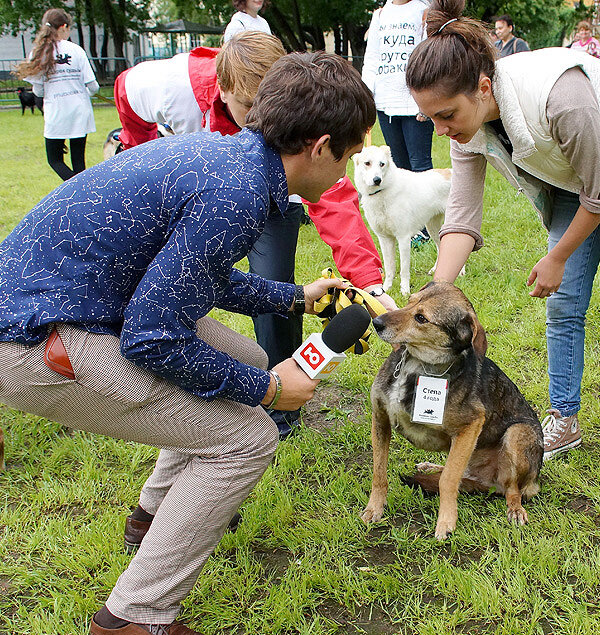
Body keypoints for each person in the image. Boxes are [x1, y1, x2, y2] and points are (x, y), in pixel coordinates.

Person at [0, 51, 378, 635]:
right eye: (350, 156)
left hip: (52, 313)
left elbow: (186, 279)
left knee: (247, 355)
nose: (346, 172)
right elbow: (154, 336)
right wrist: (265, 391)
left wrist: (293, 297)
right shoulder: (242, 191)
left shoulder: (234, 161)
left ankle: (152, 521)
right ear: (322, 146)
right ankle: (132, 618)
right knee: (247, 435)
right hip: (28, 342)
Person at [406, 0, 600, 515]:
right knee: (563, 308)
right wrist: (432, 295)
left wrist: (558, 257)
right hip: (577, 177)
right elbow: (462, 216)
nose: (440, 129)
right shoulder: (464, 126)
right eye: (430, 118)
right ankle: (563, 417)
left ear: (484, 88)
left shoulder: (560, 96)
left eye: (446, 115)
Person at [116, 31, 397, 437]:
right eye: (250, 108)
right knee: (240, 440)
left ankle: (284, 402)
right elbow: (150, 334)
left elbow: (332, 198)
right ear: (224, 89)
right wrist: (260, 387)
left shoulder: (295, 144)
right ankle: (271, 396)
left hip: (263, 183)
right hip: (207, 198)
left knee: (272, 282)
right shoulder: (166, 90)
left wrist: (366, 284)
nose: (260, 124)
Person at [15, 8, 98, 181]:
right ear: (64, 27)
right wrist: (83, 93)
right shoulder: (76, 50)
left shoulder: (39, 53)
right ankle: (82, 188)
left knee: (55, 160)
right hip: (79, 110)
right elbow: (94, 86)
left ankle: (77, 189)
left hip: (57, 110)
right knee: (78, 161)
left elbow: (38, 90)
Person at [362, 0, 435, 173]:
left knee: (420, 166)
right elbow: (372, 58)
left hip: (415, 104)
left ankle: (425, 201)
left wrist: (426, 101)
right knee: (398, 168)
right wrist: (366, 96)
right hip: (385, 103)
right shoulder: (380, 15)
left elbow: (430, 58)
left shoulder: (424, 11)